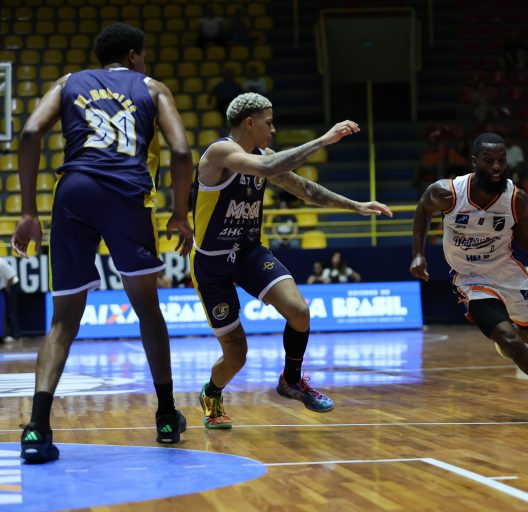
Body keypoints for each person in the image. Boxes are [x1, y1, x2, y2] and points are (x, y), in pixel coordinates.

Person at [12, 23, 194, 463]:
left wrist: (29, 212)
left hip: (74, 192)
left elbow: (30, 133)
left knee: (63, 322)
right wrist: (180, 213)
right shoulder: (152, 87)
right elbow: (181, 151)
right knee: (147, 309)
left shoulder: (68, 82)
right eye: (142, 57)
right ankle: (166, 416)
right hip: (127, 193)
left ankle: (37, 429)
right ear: (133, 56)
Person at [192, 92, 392, 428]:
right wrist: (324, 140)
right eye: (269, 123)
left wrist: (355, 205)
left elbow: (306, 190)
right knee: (236, 356)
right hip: (212, 264)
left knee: (299, 312)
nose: (273, 130)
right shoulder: (220, 152)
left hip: (249, 253)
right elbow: (267, 167)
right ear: (249, 123)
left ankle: (292, 380)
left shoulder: (265, 155)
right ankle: (212, 392)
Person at [409, 132, 528, 421]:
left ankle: (509, 333)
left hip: (507, 273)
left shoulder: (515, 198)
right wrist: (418, 254)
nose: (496, 166)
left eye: (501, 160)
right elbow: (423, 210)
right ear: (475, 162)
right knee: (510, 342)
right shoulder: (447, 193)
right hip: (470, 279)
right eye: (489, 160)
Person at [0, 258, 21, 342]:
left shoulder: (0, 263)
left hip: (12, 287)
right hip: (5, 288)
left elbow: (11, 277)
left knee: (11, 311)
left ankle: (15, 335)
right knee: (7, 311)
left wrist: (7, 289)